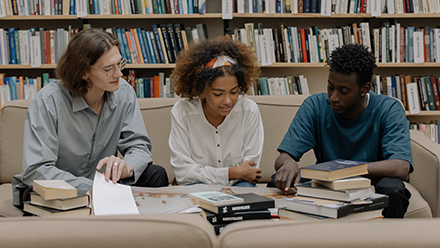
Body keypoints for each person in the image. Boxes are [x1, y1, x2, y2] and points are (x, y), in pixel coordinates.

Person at [13, 28, 168, 208]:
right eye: (109, 69)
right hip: (62, 189)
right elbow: (37, 170)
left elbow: (139, 146)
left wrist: (127, 166)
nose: (119, 74)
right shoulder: (48, 101)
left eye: (120, 64)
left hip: (104, 184)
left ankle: (139, 230)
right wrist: (95, 188)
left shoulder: (124, 92)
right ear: (83, 72)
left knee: (156, 174)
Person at [269, 43, 412, 218]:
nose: (333, 97)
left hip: (371, 183)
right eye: (330, 87)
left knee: (393, 189)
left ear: (364, 89)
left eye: (343, 91)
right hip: (326, 183)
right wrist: (288, 163)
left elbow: (401, 167)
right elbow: (283, 157)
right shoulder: (315, 106)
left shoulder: (389, 109)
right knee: (277, 181)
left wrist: (347, 170)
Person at [169, 35, 263, 187]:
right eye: (218, 94)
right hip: (198, 186)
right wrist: (232, 173)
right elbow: (183, 173)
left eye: (234, 92)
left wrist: (234, 174)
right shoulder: (182, 112)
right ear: (203, 90)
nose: (227, 101)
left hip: (239, 185)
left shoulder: (249, 111)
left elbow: (250, 171)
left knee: (246, 190)